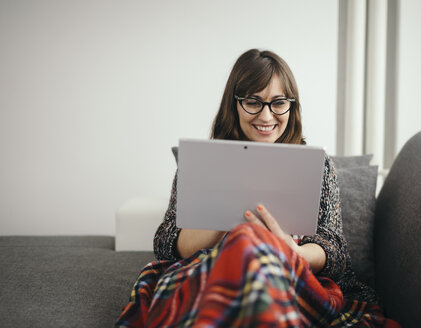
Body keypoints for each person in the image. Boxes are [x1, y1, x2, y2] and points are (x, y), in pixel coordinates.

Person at [116, 49, 400, 327]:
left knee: (256, 249)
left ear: (292, 105)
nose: (266, 116)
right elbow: (165, 243)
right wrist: (227, 221)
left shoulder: (317, 165)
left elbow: (335, 250)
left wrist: (291, 250)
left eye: (278, 103)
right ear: (234, 103)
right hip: (212, 271)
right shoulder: (204, 161)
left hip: (286, 273)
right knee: (245, 237)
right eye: (253, 102)